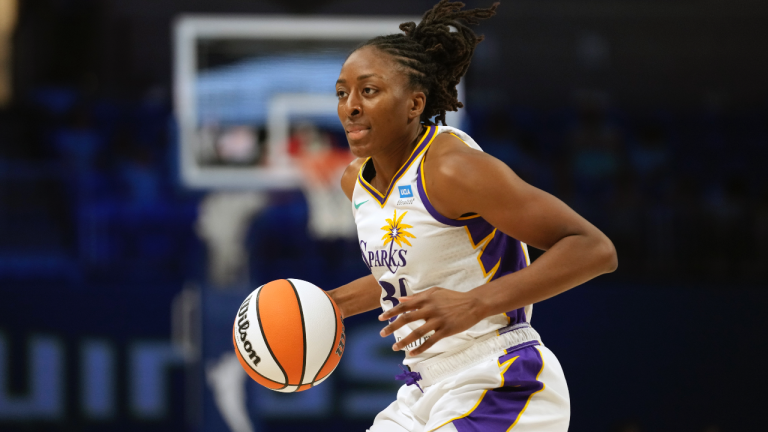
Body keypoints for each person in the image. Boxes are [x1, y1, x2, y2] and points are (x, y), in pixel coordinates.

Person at [328, 1, 617, 431]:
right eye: (342, 92)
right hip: (420, 391)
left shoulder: (452, 167)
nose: (350, 106)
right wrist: (330, 306)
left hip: (500, 377)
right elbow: (418, 267)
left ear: (414, 104)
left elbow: (594, 249)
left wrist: (474, 303)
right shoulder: (356, 182)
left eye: (368, 91)